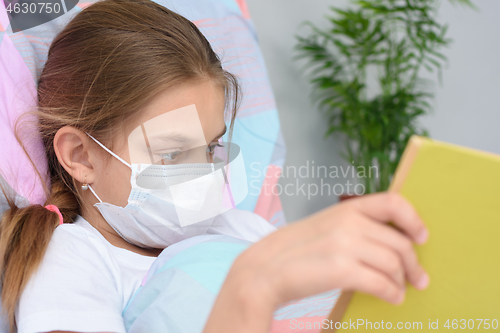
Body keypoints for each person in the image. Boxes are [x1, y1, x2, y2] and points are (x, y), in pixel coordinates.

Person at [0, 0, 430, 332]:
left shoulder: (238, 229)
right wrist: (251, 289)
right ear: (80, 156)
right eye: (172, 154)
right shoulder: (74, 261)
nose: (204, 172)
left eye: (211, 146)